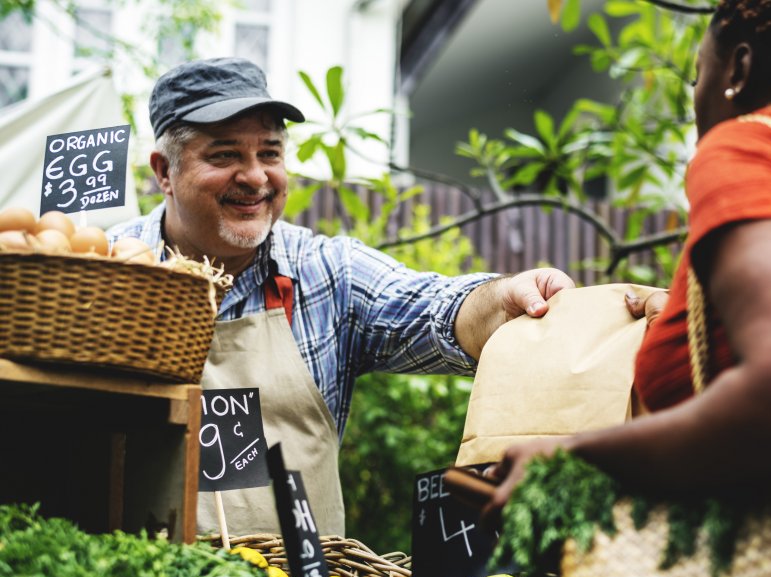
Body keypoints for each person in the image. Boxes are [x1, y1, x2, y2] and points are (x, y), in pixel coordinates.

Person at [106, 56, 576, 536]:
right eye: (224, 156)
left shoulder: (327, 274)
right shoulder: (97, 271)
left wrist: (506, 298)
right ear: (165, 171)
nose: (254, 177)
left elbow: (436, 309)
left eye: (269, 153)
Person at [479, 0, 771, 526]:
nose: (695, 99)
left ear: (736, 69)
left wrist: (573, 456)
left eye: (697, 76)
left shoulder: (746, 146)